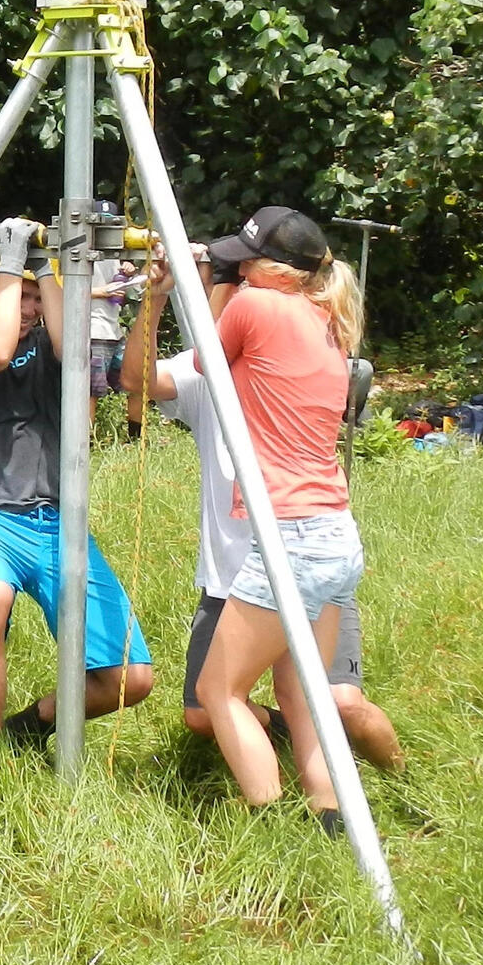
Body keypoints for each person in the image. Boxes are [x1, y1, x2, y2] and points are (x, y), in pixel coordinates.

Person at [117, 254, 403, 776]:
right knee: (208, 711)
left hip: (301, 554)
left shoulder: (290, 348)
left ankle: (399, 780)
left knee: (339, 703)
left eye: (229, 278)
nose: (226, 291)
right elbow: (136, 381)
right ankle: (299, 754)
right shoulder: (204, 367)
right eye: (218, 278)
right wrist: (153, 300)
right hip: (232, 577)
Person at [0, 218, 154, 820]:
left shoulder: (57, 350)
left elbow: (72, 348)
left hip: (58, 522)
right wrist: (11, 263)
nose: (25, 307)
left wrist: (48, 266)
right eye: (13, 294)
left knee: (130, 677)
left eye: (33, 297)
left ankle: (26, 730)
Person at [189, 206, 368, 835]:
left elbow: (204, 363)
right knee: (303, 697)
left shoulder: (253, 307)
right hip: (335, 531)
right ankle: (330, 823)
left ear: (276, 271)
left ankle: (267, 828)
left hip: (287, 534)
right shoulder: (328, 321)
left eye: (245, 259)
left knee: (220, 693)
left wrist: (213, 281)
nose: (238, 267)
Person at [89, 257, 147, 437]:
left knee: (138, 382)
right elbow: (63, 290)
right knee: (92, 392)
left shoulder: (112, 252)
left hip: (115, 331)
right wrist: (102, 291)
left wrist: (129, 272)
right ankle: (84, 445)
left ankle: (135, 438)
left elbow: (138, 291)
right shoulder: (76, 251)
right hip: (92, 331)